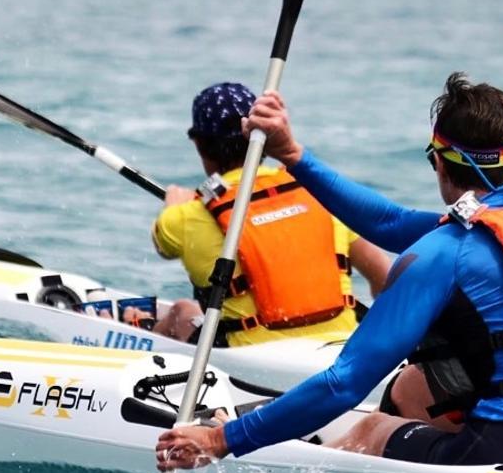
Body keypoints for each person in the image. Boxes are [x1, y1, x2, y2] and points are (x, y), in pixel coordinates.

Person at [155, 72, 503, 471]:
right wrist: (292, 154)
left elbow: (345, 383)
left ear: (437, 162)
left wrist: (222, 440)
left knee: (372, 426)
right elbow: (389, 223)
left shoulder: (444, 253)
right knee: (411, 388)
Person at [139, 81, 391, 347]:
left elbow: (163, 246)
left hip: (250, 360)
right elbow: (385, 278)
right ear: (264, 139)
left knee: (182, 312)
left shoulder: (184, 216)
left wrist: (174, 204)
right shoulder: (319, 193)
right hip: (340, 351)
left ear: (200, 145)